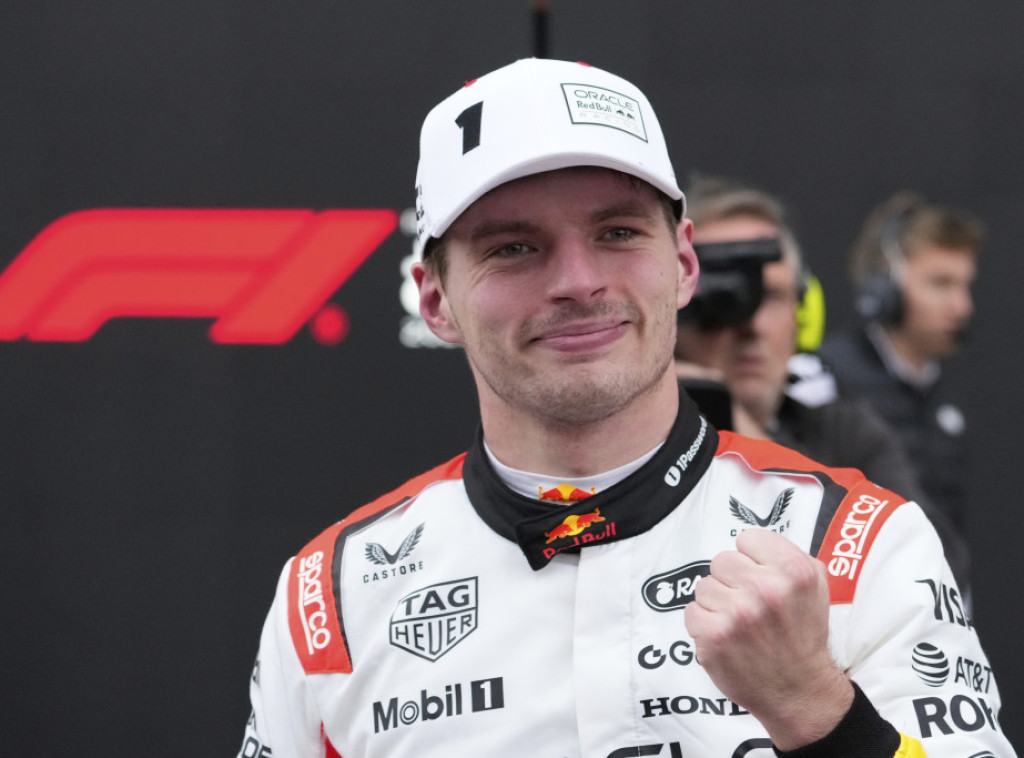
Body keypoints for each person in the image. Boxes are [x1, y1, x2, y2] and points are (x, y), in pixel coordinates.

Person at [237, 59, 1011, 758]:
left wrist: (820, 716)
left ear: (683, 263)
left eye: (617, 232)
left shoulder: (859, 543)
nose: (578, 281)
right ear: (434, 299)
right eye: (513, 247)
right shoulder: (330, 596)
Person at [673, 175, 972, 598]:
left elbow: (939, 571)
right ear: (674, 304)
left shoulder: (844, 434)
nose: (751, 324)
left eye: (771, 295)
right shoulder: (624, 445)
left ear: (803, 313)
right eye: (725, 297)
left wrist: (746, 437)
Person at [818, 191, 985, 546]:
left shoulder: (941, 394)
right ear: (884, 286)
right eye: (941, 283)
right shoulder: (827, 380)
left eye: (965, 285)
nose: (962, 306)